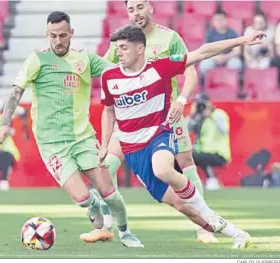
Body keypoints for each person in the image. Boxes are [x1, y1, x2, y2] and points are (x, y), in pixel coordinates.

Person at [99, 25, 265, 248]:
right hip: (133, 150)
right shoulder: (109, 77)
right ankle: (236, 233)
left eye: (123, 48)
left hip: (159, 135)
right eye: (117, 48)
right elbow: (109, 111)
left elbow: (203, 52)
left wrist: (243, 39)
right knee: (182, 206)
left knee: (163, 169)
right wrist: (104, 144)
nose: (118, 53)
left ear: (140, 49)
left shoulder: (159, 68)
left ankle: (206, 210)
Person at [0, 11, 143, 247]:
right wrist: (4, 124)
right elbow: (15, 92)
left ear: (71, 34)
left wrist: (140, 67)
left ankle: (125, 232)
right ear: (47, 34)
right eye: (53, 36)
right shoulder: (37, 59)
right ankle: (92, 206)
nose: (58, 41)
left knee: (110, 192)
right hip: (52, 144)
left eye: (63, 35)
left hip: (83, 138)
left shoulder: (84, 59)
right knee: (83, 198)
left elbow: (116, 72)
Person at [92, 0, 215, 243]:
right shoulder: (122, 41)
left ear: (150, 7)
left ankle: (204, 227)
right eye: (130, 9)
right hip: (128, 118)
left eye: (139, 7)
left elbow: (190, 70)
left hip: (165, 115)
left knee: (185, 162)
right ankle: (106, 225)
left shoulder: (169, 38)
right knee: (106, 166)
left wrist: (181, 100)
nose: (135, 13)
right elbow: (103, 69)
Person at [187, 93, 231, 190]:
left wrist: (210, 116)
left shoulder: (219, 114)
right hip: (203, 151)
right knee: (187, 157)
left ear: (209, 103)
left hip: (219, 153)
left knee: (198, 157)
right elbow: (186, 130)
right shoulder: (199, 117)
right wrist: (192, 115)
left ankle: (211, 180)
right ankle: (205, 181)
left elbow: (224, 131)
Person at [199, 9, 243, 82]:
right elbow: (206, 50)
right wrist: (217, 57)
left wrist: (226, 57)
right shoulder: (209, 33)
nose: (218, 22)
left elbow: (238, 51)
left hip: (229, 57)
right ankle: (204, 90)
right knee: (204, 65)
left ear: (226, 20)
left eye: (221, 19)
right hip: (213, 57)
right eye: (216, 20)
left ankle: (232, 87)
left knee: (236, 64)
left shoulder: (232, 33)